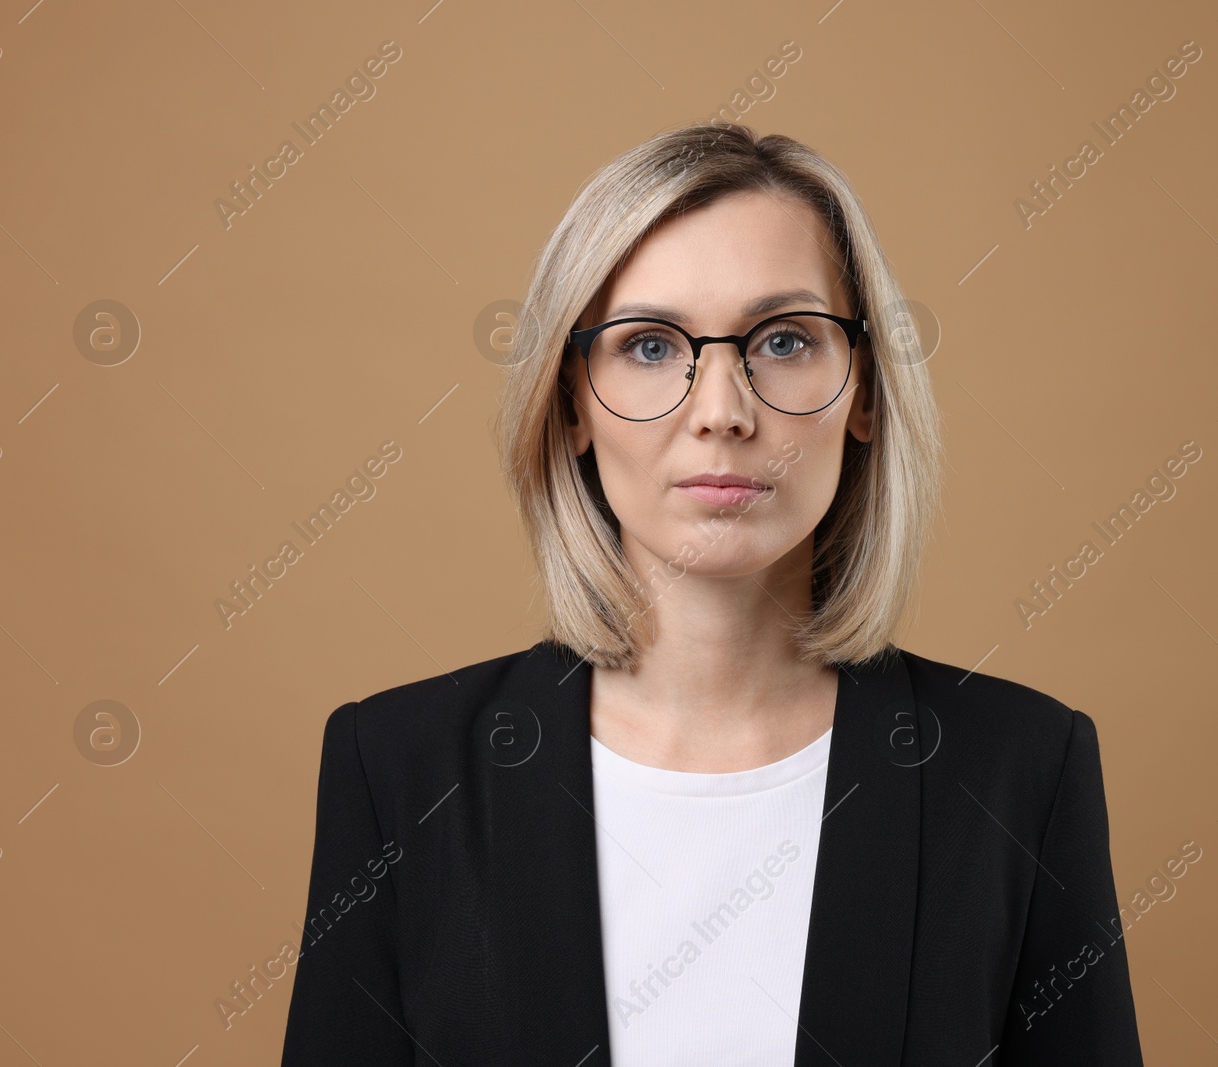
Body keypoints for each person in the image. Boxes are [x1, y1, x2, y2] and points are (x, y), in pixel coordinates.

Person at [280, 122, 1144, 1065]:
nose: (722, 411)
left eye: (783, 339)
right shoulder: (401, 768)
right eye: (650, 345)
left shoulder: (1020, 768)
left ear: (863, 391)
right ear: (570, 401)